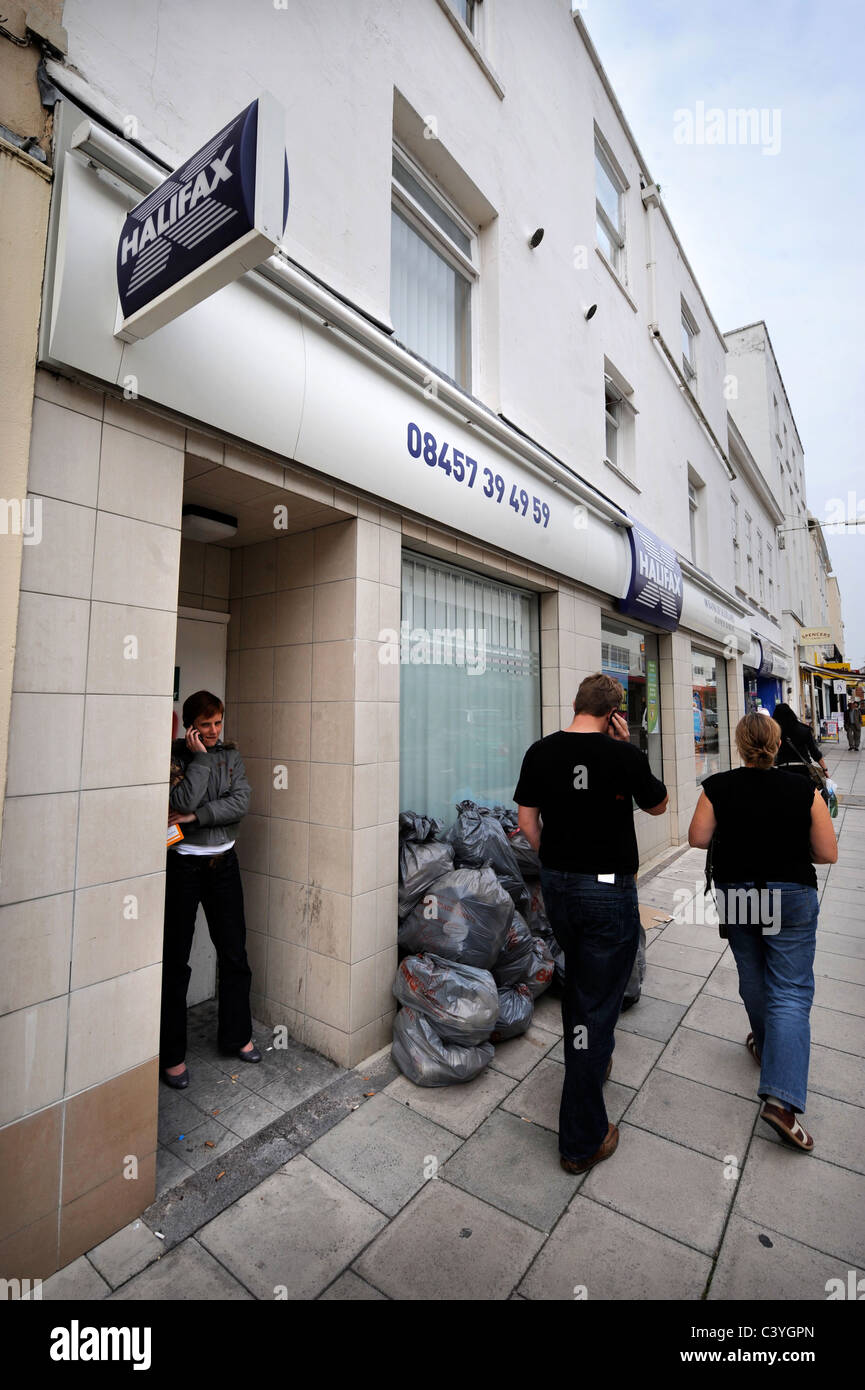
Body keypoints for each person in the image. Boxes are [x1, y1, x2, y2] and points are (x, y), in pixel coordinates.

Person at [514, 672, 668, 1174]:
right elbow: (659, 803)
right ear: (614, 715)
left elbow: (525, 821)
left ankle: (594, 1061)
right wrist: (628, 748)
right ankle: (582, 1140)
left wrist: (553, 859)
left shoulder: (541, 751)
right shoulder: (623, 756)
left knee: (582, 980)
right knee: (595, 1003)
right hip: (606, 890)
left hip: (558, 887)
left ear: (576, 704)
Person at [688, 714, 837, 1151]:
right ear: (776, 745)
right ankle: (782, 1101)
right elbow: (827, 853)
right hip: (790, 895)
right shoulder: (803, 788)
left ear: (739, 745)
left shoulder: (718, 786)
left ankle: (767, 1045)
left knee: (753, 975)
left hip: (738, 894)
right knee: (789, 990)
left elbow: (698, 838)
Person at [160, 690, 259, 1089]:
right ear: (191, 727)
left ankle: (238, 1036)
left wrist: (197, 815)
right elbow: (178, 799)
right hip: (183, 865)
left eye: (218, 722)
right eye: (206, 725)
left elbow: (241, 803)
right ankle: (172, 1055)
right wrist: (199, 760)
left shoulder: (231, 756)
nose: (215, 731)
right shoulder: (176, 758)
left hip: (224, 864)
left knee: (234, 953)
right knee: (175, 959)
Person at [772, 702, 828, 787]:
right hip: (803, 771)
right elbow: (815, 753)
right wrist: (825, 769)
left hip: (783, 770)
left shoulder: (774, 733)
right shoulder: (804, 730)